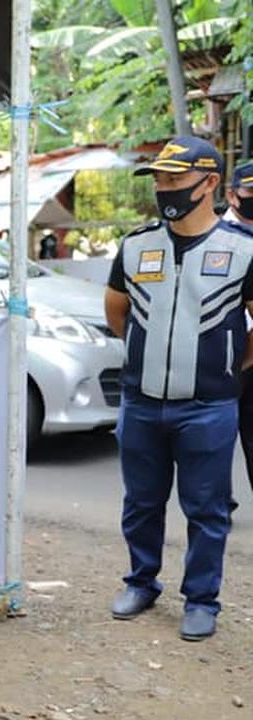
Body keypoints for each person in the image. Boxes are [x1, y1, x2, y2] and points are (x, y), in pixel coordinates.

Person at [104, 137, 253, 642]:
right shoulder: (136, 245)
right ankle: (141, 582)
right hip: (141, 402)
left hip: (209, 406)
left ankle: (202, 599)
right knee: (141, 503)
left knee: (207, 508)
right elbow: (116, 310)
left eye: (174, 180)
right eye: (160, 181)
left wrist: (230, 366)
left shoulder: (242, 251)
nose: (164, 190)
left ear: (210, 182)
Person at [227, 163, 253, 499]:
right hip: (226, 352)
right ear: (232, 195)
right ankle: (218, 503)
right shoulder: (215, 237)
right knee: (214, 436)